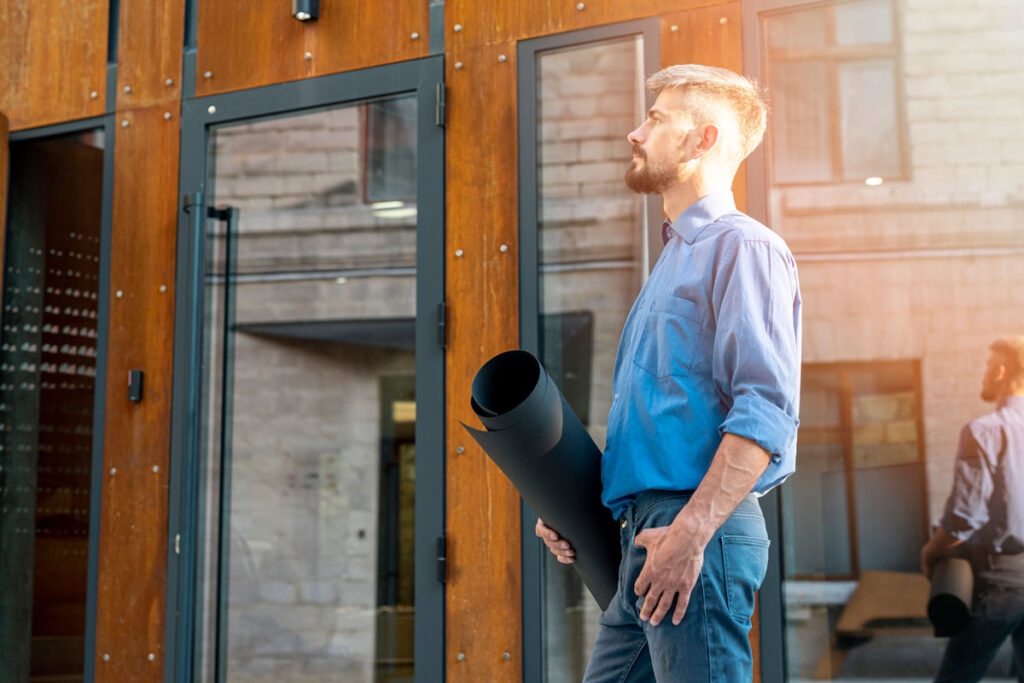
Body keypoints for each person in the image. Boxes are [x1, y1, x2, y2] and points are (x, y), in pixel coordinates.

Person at [535, 65, 801, 681]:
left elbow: (764, 410)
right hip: (647, 536)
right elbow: (660, 426)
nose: (635, 133)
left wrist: (691, 533)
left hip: (693, 533)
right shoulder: (671, 262)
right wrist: (574, 507)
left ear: (703, 139)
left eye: (656, 120)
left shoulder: (745, 248)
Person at [921, 337, 1024, 682]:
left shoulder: (983, 431)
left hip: (1001, 581)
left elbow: (965, 517)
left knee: (957, 678)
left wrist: (931, 550)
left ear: (1000, 372)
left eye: (986, 367)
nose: (983, 375)